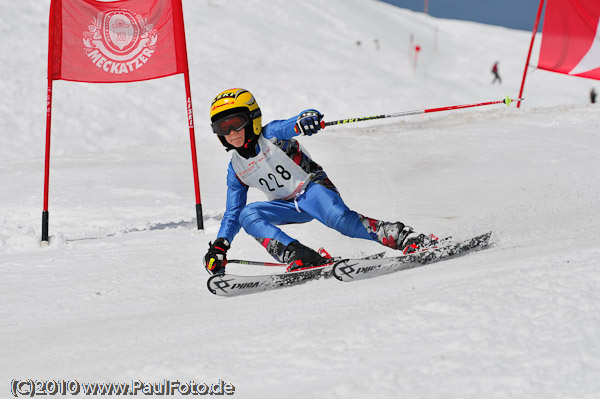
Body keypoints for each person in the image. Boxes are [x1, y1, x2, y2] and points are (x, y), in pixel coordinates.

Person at [203, 88, 439, 275]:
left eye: (237, 123)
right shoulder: (236, 168)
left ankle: (405, 237)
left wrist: (307, 119)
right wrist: (220, 246)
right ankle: (300, 256)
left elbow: (292, 123)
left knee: (341, 222)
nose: (232, 132)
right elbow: (232, 213)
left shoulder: (271, 134)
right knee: (247, 215)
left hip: (312, 189)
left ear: (252, 119)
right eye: (223, 128)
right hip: (286, 206)